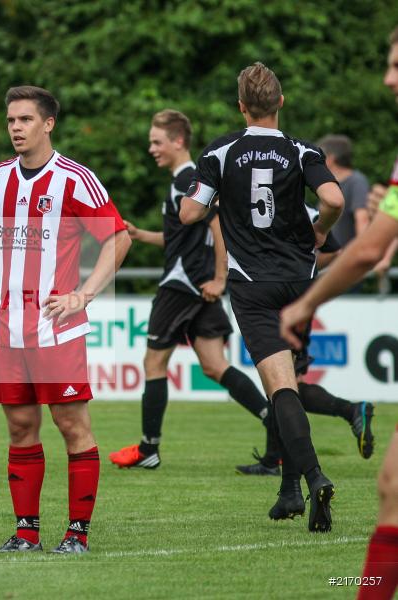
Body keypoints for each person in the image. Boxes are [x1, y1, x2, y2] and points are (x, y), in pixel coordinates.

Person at [179, 62, 344, 533]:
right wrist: (319, 232)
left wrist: (216, 202)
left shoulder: (223, 150)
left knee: (280, 388)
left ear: (241, 107)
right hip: (301, 282)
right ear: (281, 102)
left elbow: (191, 212)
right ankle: (289, 490)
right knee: (288, 380)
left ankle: (313, 478)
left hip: (254, 284)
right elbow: (333, 200)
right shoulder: (300, 150)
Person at [0, 86, 130, 554]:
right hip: (8, 328)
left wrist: (83, 294)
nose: (16, 128)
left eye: (25, 120)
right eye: (10, 121)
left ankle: (77, 534)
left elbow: (118, 239)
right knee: (20, 426)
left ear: (48, 124)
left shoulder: (75, 179)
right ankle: (26, 534)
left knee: (70, 424)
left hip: (55, 329)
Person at [280, 26, 398, 595]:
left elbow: (367, 250)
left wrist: (303, 300)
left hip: (288, 289)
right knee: (391, 486)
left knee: (285, 388)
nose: (388, 78)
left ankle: (298, 473)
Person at [108, 109, 277, 474]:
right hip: (196, 284)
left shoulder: (187, 178)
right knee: (216, 367)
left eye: (157, 141)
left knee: (153, 363)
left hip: (183, 284)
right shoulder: (184, 179)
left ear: (178, 141)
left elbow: (217, 226)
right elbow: (181, 236)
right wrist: (141, 236)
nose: (151, 148)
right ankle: (273, 422)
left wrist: (221, 278)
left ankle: (149, 448)